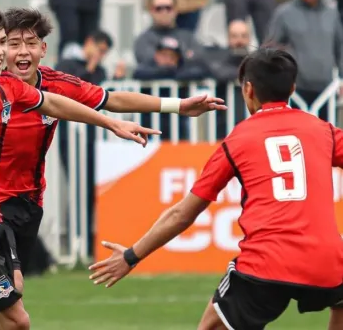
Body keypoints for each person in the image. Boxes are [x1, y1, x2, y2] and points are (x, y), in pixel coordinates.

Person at [0, 7, 226, 330]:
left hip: (25, 204)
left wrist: (171, 107)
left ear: (44, 49)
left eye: (28, 44)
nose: (17, 52)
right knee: (12, 313)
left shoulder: (34, 86)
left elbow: (94, 99)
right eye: (9, 43)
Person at [88, 48, 343, 330]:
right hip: (327, 260)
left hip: (266, 264)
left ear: (248, 89)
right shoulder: (324, 130)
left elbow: (183, 214)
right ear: (292, 88)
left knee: (211, 326)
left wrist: (131, 256)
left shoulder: (238, 139)